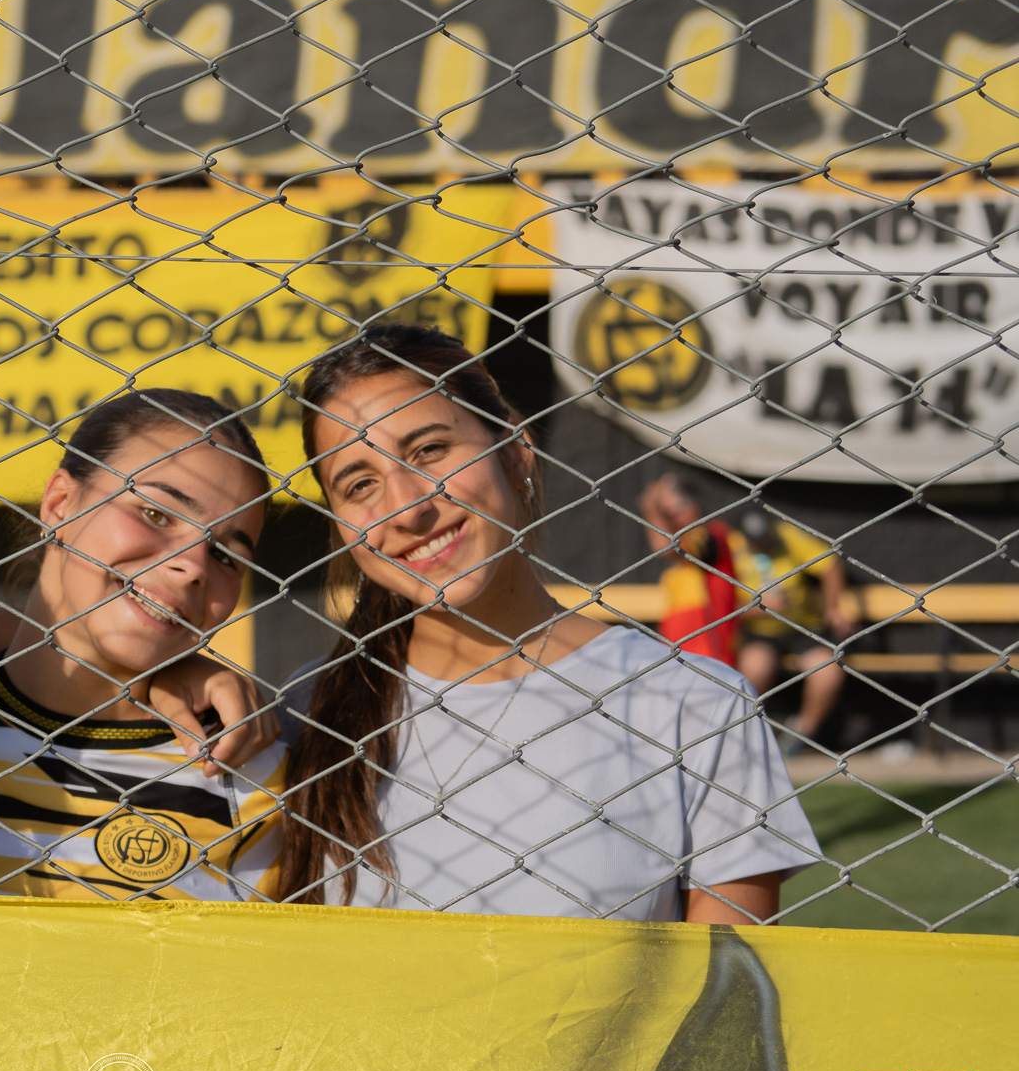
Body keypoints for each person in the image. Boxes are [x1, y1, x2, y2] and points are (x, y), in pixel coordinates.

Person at [277, 324, 818, 923]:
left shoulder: (693, 700)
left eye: (429, 450)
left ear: (515, 453)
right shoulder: (299, 715)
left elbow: (728, 994)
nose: (407, 507)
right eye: (360, 485)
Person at [0, 389, 285, 901]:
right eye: (157, 514)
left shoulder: (257, 777)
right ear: (60, 504)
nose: (193, 566)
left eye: (227, 555)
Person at [730, 510, 855, 754]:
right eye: (756, 542)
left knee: (828, 671)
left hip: (801, 627)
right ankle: (747, 733)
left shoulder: (788, 535)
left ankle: (801, 734)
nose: (762, 545)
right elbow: (721, 607)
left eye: (766, 539)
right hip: (758, 631)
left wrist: (834, 608)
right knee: (756, 667)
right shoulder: (728, 547)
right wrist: (758, 608)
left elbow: (829, 563)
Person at [639, 472, 739, 666]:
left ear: (692, 506)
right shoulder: (684, 541)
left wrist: (651, 507)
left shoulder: (712, 534)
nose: (668, 520)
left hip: (708, 645)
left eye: (670, 513)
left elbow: (664, 547)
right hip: (677, 642)